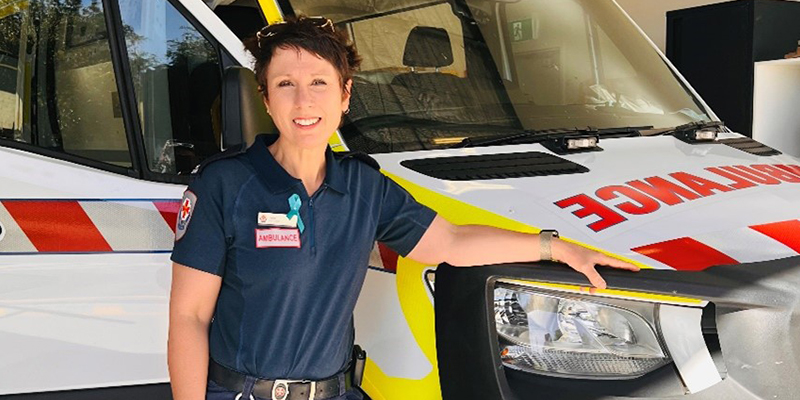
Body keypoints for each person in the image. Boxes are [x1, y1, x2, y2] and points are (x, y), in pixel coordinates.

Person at [168, 16, 639, 400]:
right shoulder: (225, 184)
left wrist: (555, 249)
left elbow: (450, 240)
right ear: (266, 99)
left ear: (345, 95)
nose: (304, 100)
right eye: (285, 84)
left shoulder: (364, 186)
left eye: (319, 82)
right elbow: (190, 318)